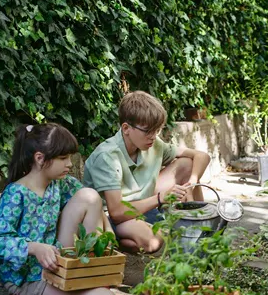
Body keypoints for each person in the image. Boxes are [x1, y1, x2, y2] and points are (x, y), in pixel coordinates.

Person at [0, 123, 122, 295]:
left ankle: (92, 276)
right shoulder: (15, 194)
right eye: (63, 158)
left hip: (56, 265)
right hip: (27, 279)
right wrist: (34, 247)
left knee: (90, 195)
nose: (70, 164)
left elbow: (93, 204)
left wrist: (108, 233)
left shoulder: (59, 184)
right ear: (40, 159)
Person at [83, 91, 211, 253]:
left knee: (186, 164)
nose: (153, 136)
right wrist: (160, 198)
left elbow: (201, 156)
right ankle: (114, 241)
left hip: (142, 205)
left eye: (156, 130)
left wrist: (192, 182)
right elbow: (116, 212)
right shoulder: (107, 156)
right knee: (153, 242)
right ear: (126, 128)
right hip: (110, 218)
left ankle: (200, 227)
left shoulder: (152, 144)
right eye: (148, 131)